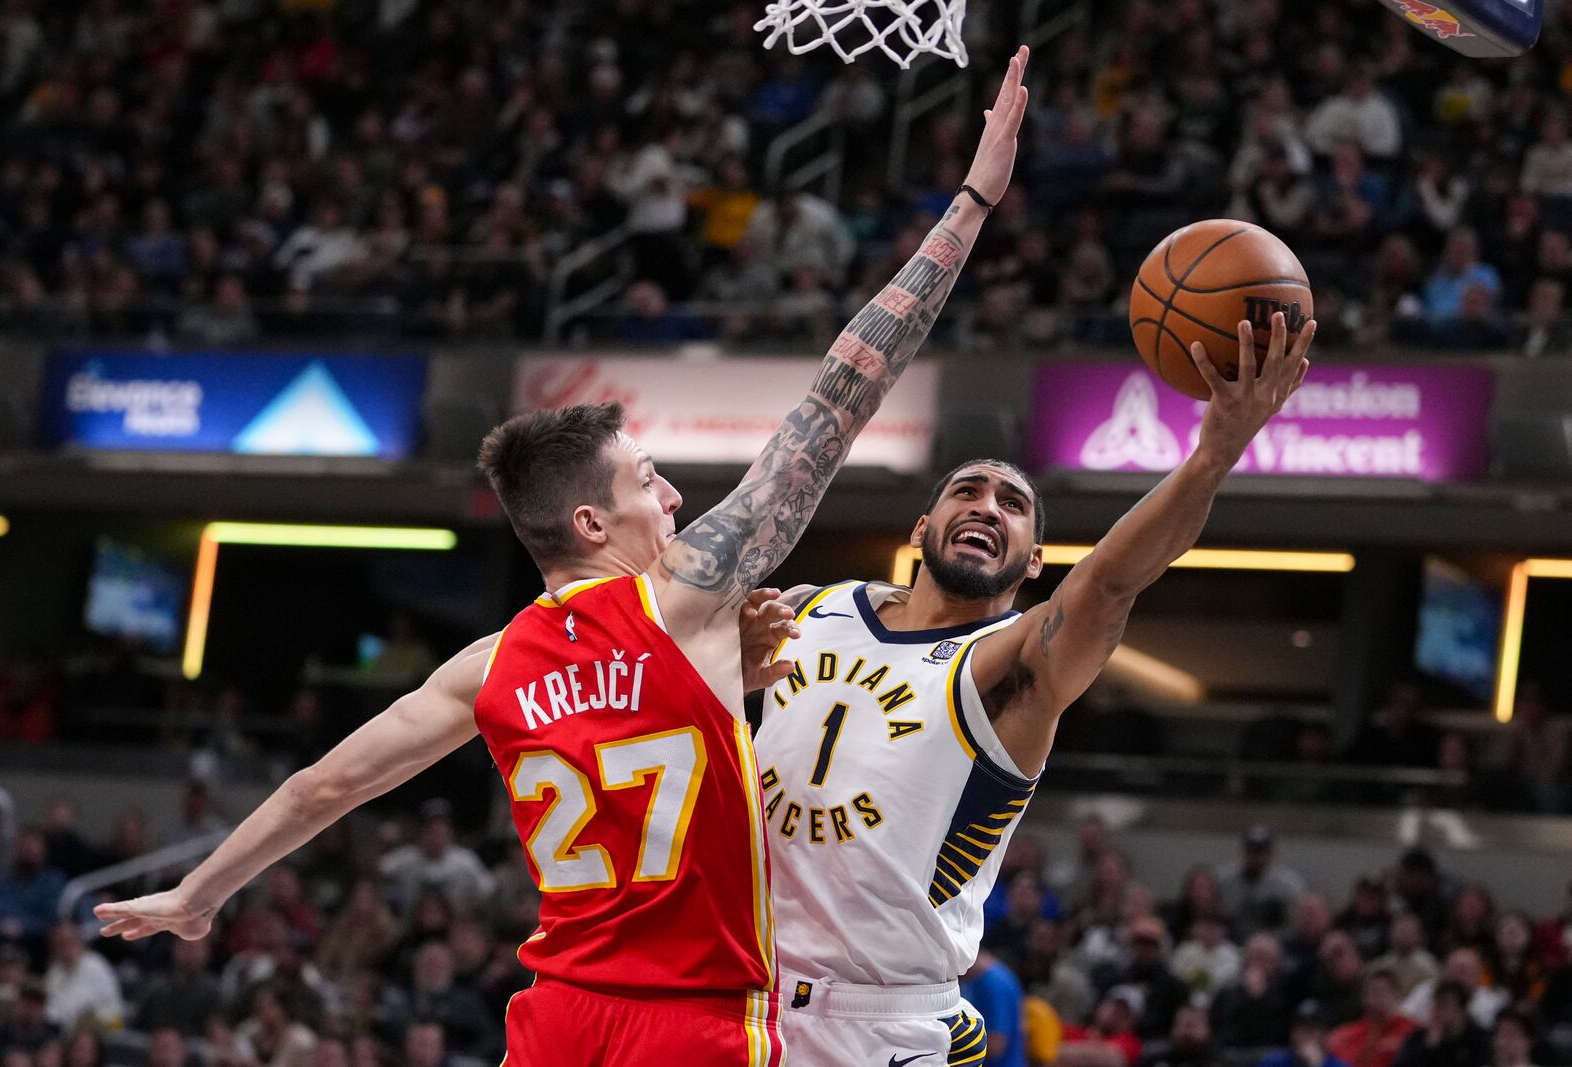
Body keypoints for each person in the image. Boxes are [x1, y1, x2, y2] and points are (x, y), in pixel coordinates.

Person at [92, 46, 1036, 1067]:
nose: (674, 495)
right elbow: (842, 391)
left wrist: (201, 893)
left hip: (555, 1016)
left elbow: (323, 786)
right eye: (646, 479)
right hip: (696, 1021)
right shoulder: (685, 596)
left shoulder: (490, 664)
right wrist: (972, 205)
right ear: (591, 523)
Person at [756, 251, 1315, 1062]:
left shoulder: (1011, 665)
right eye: (969, 490)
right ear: (919, 528)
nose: (988, 506)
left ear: (1031, 563)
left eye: (1013, 506)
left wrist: (1211, 454)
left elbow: (1111, 581)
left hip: (882, 1025)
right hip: (739, 999)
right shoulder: (809, 608)